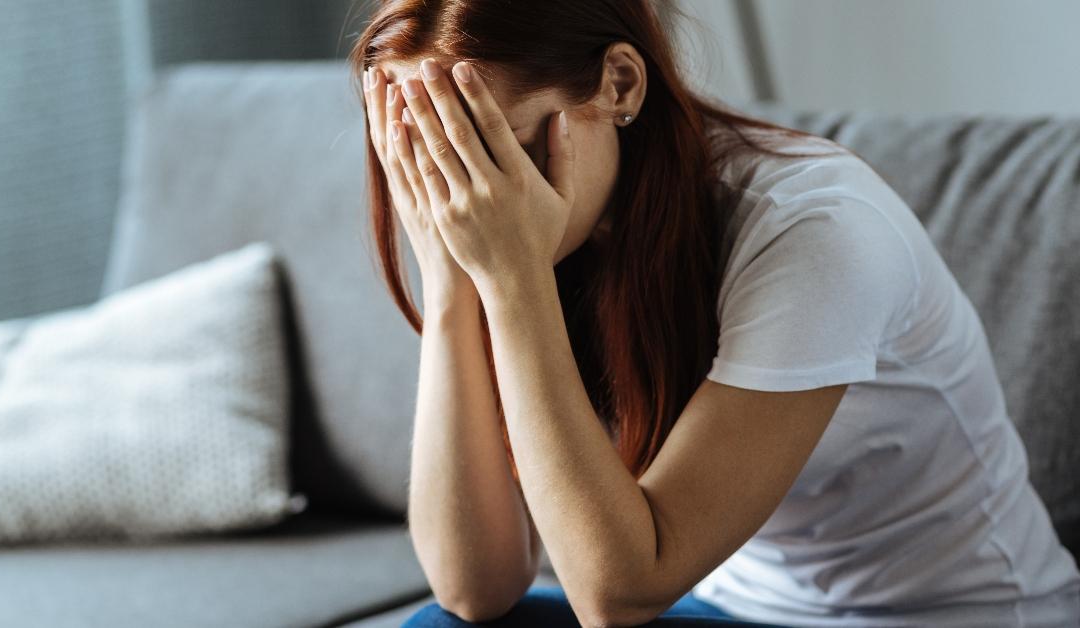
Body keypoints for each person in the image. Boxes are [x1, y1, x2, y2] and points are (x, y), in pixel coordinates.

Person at [349, 1, 1080, 626]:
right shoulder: (529, 237)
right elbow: (475, 590)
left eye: (491, 150)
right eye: (431, 159)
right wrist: (452, 282)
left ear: (619, 84)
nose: (469, 198)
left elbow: (619, 593)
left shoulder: (817, 231)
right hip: (738, 607)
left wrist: (510, 284)